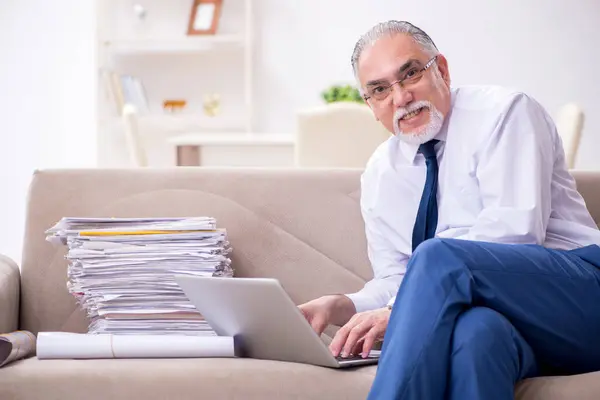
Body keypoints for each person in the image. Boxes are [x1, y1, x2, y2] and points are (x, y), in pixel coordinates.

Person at [298, 20, 600, 400]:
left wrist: (401, 312)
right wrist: (344, 305)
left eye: (410, 74)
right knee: (477, 335)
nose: (401, 97)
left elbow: (515, 235)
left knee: (437, 256)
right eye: (379, 90)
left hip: (583, 298)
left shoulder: (504, 112)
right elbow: (400, 280)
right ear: (371, 106)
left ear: (441, 69)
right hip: (517, 327)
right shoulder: (380, 172)